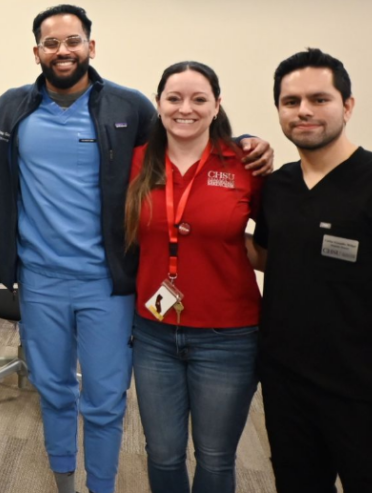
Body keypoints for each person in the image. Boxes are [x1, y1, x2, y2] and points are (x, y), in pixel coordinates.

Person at [0, 5, 274, 493]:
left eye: (73, 40)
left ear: (91, 47)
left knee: (105, 400)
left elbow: (184, 134)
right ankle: (64, 484)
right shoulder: (12, 107)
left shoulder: (128, 106)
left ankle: (102, 486)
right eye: (51, 43)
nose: (63, 50)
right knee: (54, 393)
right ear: (37, 52)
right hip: (39, 280)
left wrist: (244, 141)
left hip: (109, 283)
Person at [253, 48, 372, 493]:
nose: (304, 111)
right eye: (291, 101)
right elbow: (267, 256)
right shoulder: (278, 186)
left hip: (366, 394)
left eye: (319, 99)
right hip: (286, 388)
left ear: (348, 106)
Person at [125, 61, 263, 493]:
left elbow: (275, 245)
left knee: (215, 457)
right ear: (158, 103)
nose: (185, 108)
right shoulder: (136, 162)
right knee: (162, 454)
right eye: (174, 98)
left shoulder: (245, 164)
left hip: (229, 336)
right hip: (153, 333)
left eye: (199, 99)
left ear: (217, 105)